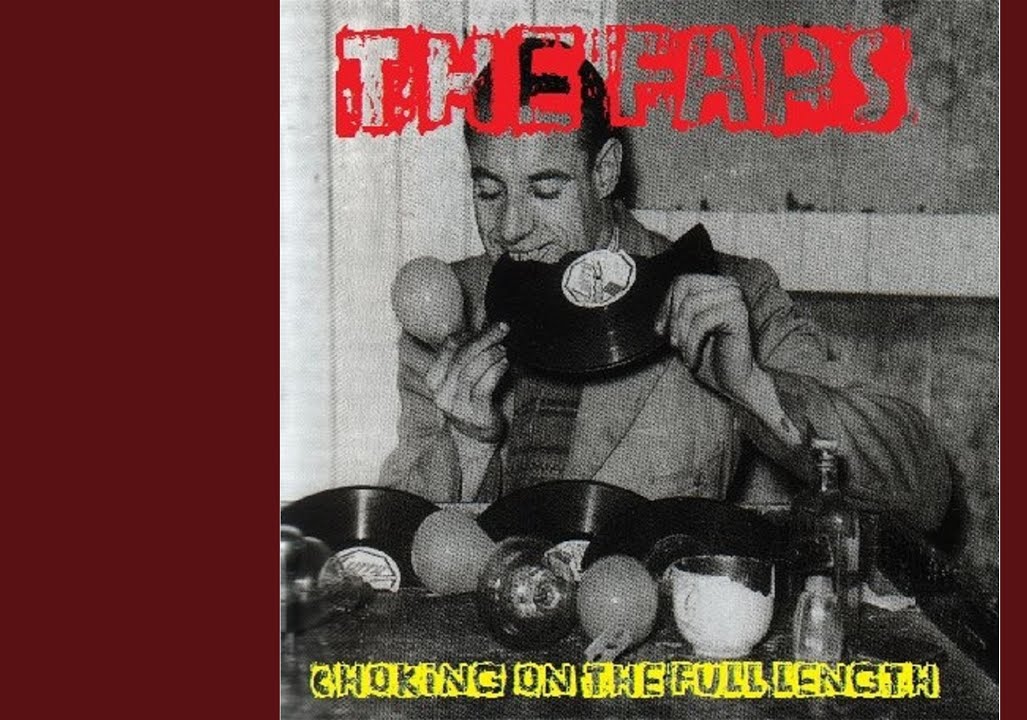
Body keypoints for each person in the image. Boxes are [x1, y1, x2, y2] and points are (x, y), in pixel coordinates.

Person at [380, 38, 953, 537]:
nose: (509, 229)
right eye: (489, 192)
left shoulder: (722, 292)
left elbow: (925, 490)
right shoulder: (451, 307)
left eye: (545, 190)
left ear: (604, 171)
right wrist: (469, 445)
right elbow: (397, 545)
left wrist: (753, 386)